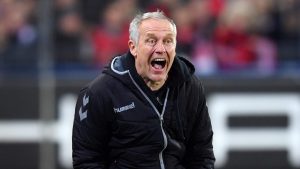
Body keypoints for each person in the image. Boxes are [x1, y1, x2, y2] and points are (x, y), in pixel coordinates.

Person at [72, 10, 215, 169]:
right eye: (151, 41)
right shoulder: (100, 92)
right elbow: (87, 161)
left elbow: (202, 155)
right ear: (133, 47)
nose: (160, 48)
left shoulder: (190, 87)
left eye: (168, 41)